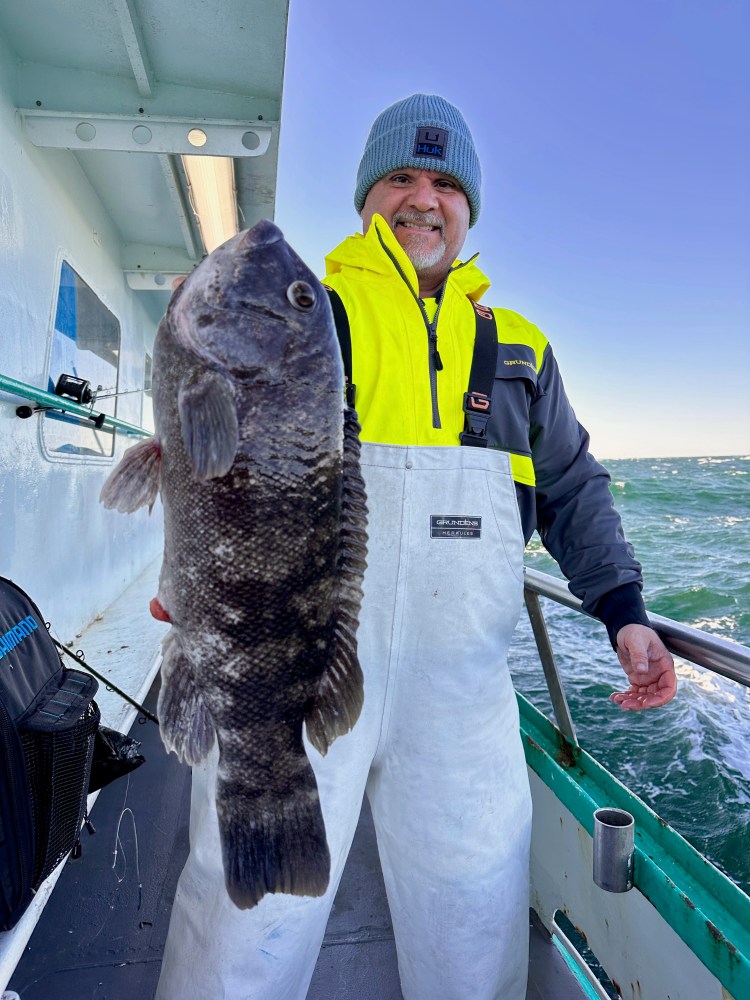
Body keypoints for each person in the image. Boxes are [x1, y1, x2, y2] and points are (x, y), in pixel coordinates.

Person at [156, 94, 677, 1000]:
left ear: (470, 206)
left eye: (443, 182)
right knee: (244, 928)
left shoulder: (519, 350)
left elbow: (572, 488)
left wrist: (624, 613)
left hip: (464, 693)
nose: (422, 199)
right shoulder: (309, 318)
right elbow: (213, 465)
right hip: (302, 656)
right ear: (368, 197)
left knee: (474, 913)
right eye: (400, 176)